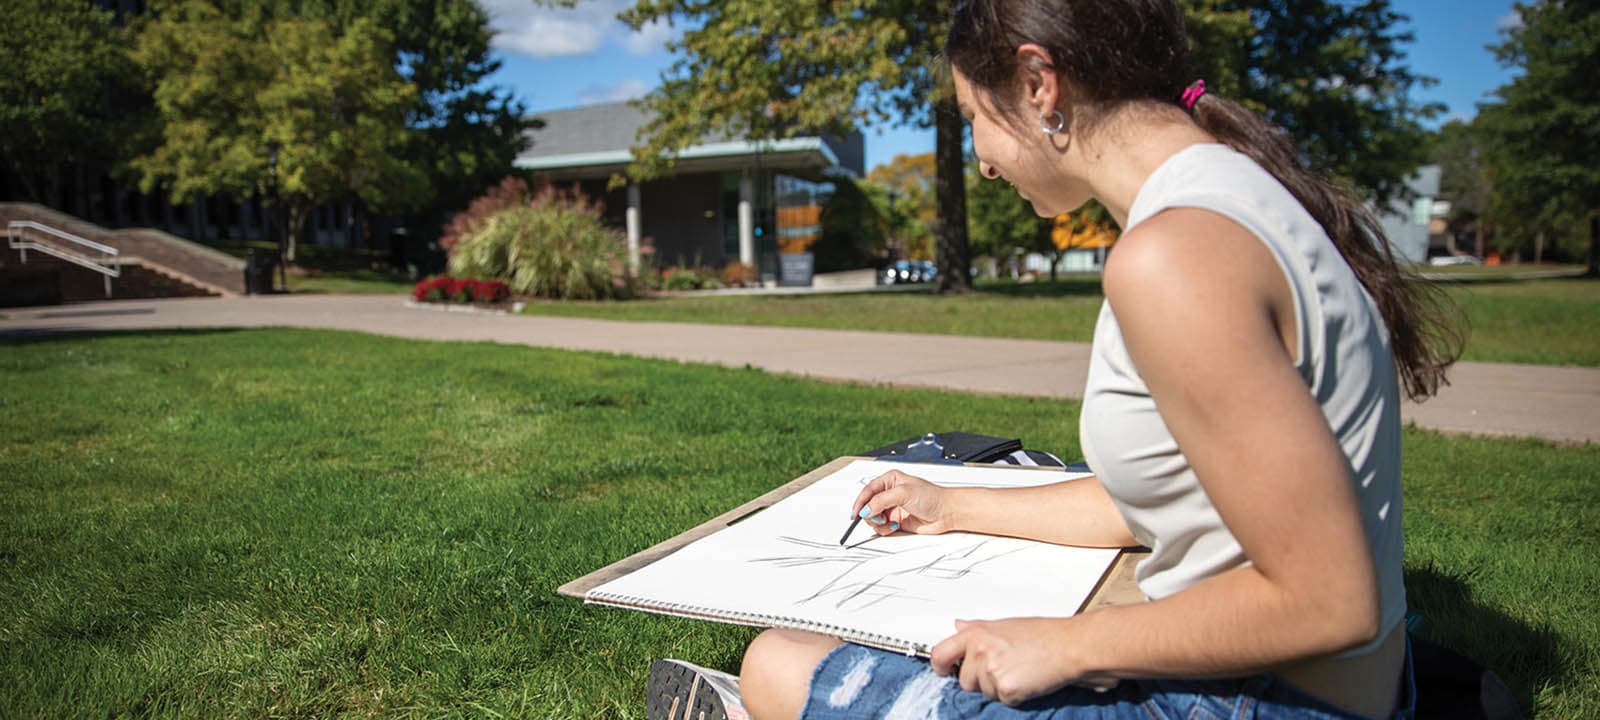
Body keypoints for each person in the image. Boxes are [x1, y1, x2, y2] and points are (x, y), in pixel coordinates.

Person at [665, 1, 1464, 718]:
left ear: (1039, 84)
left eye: (974, 115)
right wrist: (954, 506)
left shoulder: (1174, 257)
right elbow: (1176, 500)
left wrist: (1064, 645)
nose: (980, 159)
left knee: (778, 660)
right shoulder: (1235, 196)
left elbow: (1331, 602)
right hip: (1334, 687)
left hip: (1262, 703)